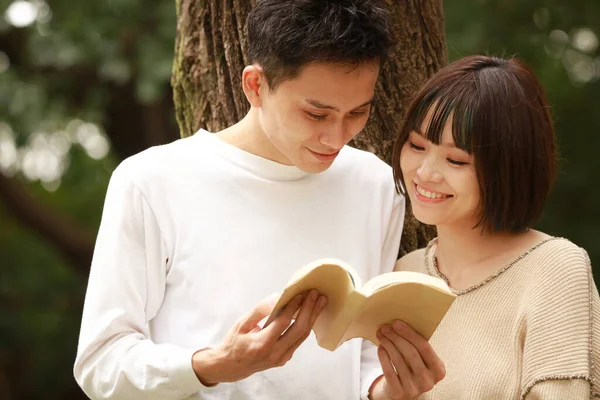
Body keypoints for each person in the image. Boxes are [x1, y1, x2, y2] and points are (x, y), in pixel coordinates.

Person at [73, 0, 446, 399]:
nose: (337, 137)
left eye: (357, 113)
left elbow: (363, 353)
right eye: (316, 115)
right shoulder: (152, 181)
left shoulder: (375, 185)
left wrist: (386, 388)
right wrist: (213, 365)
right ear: (256, 86)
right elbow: (101, 364)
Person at [391, 55, 600, 399]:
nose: (425, 172)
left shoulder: (556, 269)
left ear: (508, 167)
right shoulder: (404, 273)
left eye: (456, 160)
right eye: (416, 145)